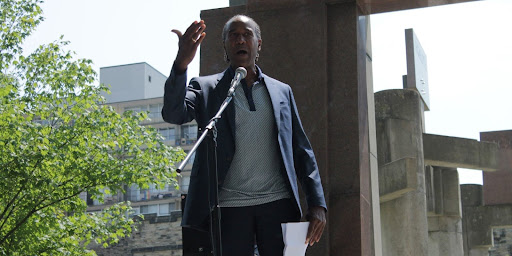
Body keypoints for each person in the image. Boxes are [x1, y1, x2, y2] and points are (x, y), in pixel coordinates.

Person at [162, 15, 326, 256]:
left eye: (247, 34)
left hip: (278, 206)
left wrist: (317, 203)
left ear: (258, 44)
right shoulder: (205, 88)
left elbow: (301, 150)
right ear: (226, 46)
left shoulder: (282, 92)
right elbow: (174, 113)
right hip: (229, 209)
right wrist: (181, 65)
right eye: (233, 35)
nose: (240, 39)